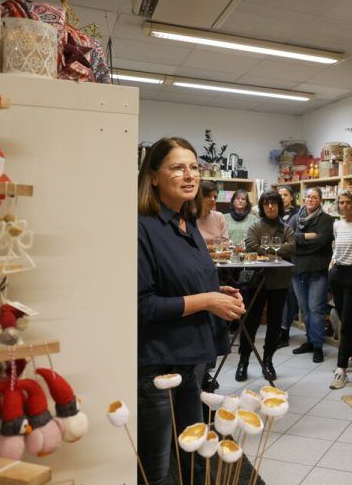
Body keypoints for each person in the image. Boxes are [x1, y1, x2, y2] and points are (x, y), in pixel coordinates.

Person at [137, 137, 245, 484]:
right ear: (153, 176)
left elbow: (186, 283)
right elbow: (142, 305)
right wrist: (208, 301)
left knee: (194, 456)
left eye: (194, 167)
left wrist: (217, 292)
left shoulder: (187, 224)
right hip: (158, 363)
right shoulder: (142, 227)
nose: (189, 175)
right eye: (177, 167)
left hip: (191, 358)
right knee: (156, 467)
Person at [238, 191, 296, 382]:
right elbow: (250, 246)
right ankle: (243, 360)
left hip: (279, 282)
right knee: (251, 321)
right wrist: (276, 252)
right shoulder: (255, 226)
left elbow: (292, 247)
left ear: (279, 205)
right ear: (262, 207)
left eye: (273, 203)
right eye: (266, 204)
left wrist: (267, 251)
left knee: (274, 323)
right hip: (257, 281)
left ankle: (268, 360)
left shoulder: (286, 228)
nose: (270, 207)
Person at [289, 187, 335, 363]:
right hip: (297, 272)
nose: (310, 200)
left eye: (314, 197)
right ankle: (310, 340)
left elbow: (321, 242)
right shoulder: (295, 218)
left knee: (316, 309)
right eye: (308, 196)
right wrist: (307, 237)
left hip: (317, 271)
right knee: (305, 310)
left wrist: (299, 241)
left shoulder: (326, 220)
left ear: (320, 200)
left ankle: (317, 346)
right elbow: (289, 241)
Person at [328, 189, 352, 389]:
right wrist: (331, 264)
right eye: (341, 203)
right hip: (337, 273)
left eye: (348, 203)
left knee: (347, 320)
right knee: (344, 319)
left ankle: (341, 369)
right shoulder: (337, 224)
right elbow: (336, 247)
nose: (344, 206)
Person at [277, 185, 299, 348]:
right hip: (276, 261)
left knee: (290, 297)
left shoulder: (298, 215)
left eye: (285, 194)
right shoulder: (274, 214)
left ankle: (285, 330)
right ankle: (280, 329)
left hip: (293, 261)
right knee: (280, 297)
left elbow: (297, 238)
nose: (283, 197)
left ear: (291, 197)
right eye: (280, 195)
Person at [196, 180, 229, 245]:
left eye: (215, 197)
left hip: (219, 254)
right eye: (208, 196)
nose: (213, 199)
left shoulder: (219, 216)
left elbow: (226, 243)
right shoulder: (189, 218)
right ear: (199, 197)